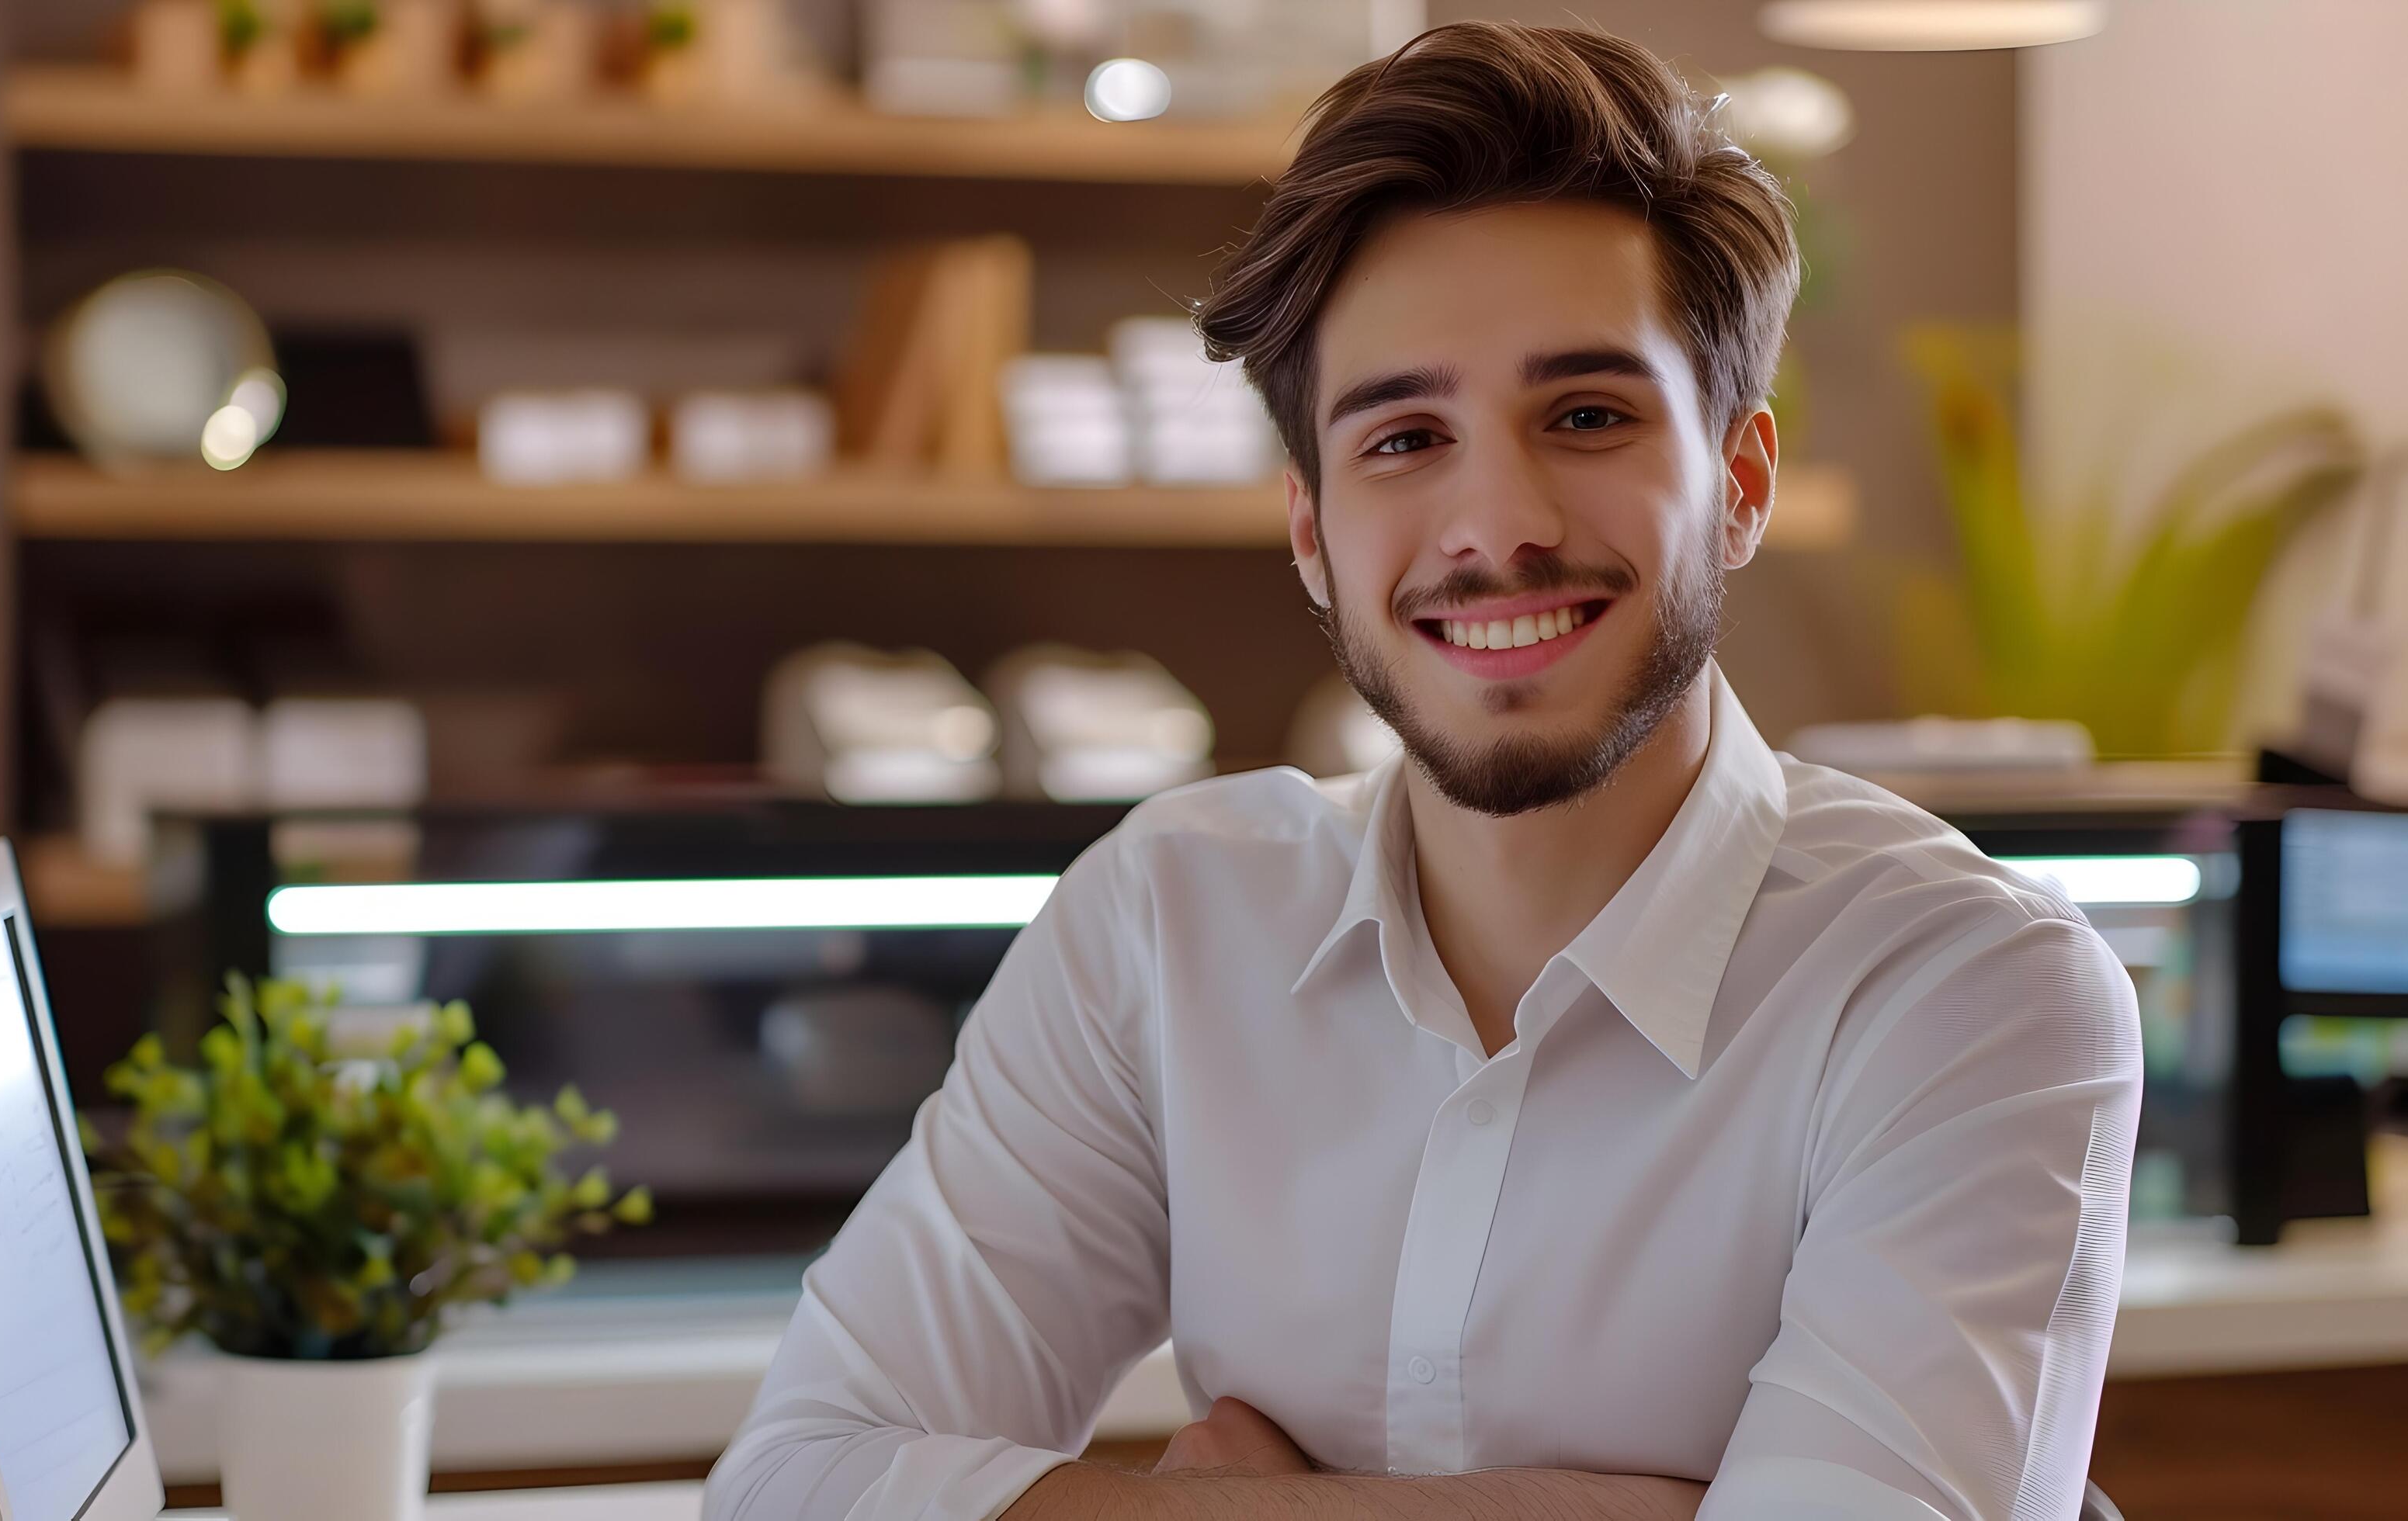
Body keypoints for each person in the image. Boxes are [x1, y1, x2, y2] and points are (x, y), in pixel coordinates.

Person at [704, 20, 2139, 1521]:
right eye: (1402, 437)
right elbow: (798, 1486)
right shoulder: (1167, 919)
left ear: (1741, 482)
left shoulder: (1963, 990)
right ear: (1311, 532)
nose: (1495, 523)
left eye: (1584, 416)